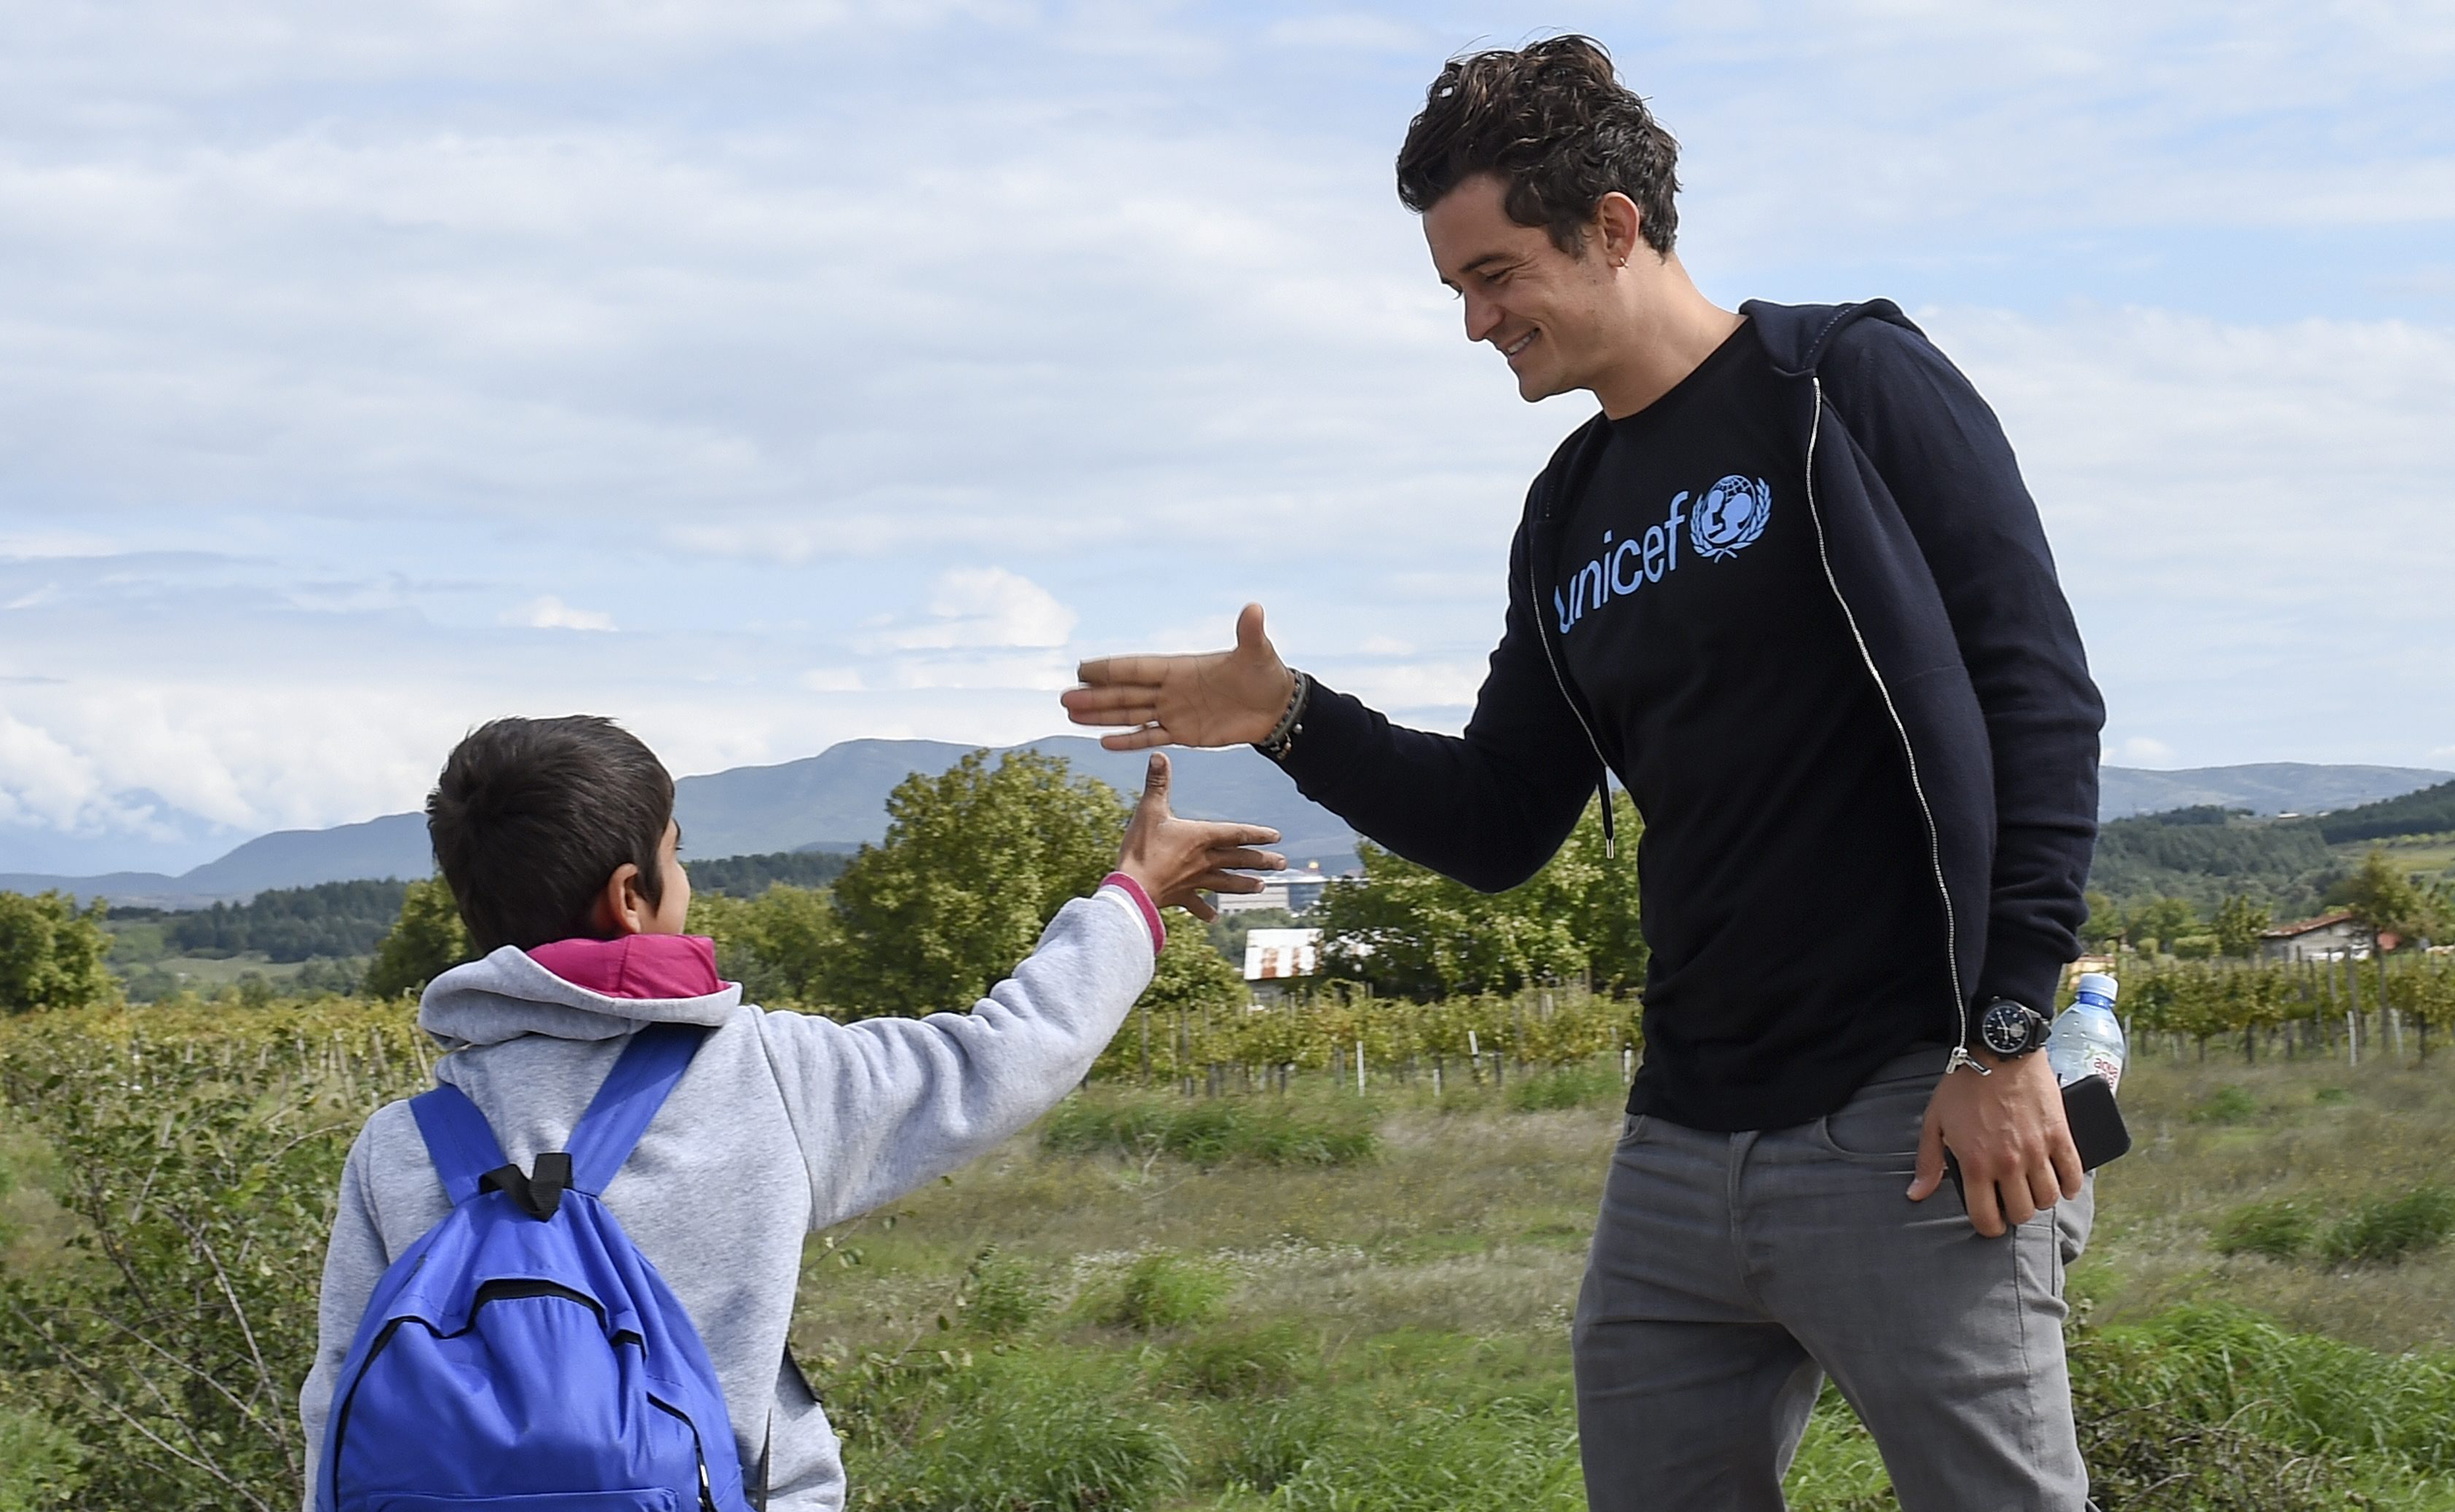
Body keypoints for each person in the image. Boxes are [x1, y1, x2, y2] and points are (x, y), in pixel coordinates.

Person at [1062, 35, 2106, 1512]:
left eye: (1495, 276)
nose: (1476, 323)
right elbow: (1496, 820)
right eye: (1456, 290)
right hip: (1681, 1138)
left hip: (1909, 1110)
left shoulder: (1842, 385)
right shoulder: (1566, 512)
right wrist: (1290, 714)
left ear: (1612, 224)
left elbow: (2039, 703)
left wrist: (2004, 1042)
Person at [298, 715, 1282, 1508]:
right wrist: (1131, 896)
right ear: (633, 895)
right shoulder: (762, 1072)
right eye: (680, 858)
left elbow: (338, 1411)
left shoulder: (400, 1146)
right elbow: (1001, 1056)